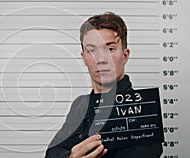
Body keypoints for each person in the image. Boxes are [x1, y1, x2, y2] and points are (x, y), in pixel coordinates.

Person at [45, 12, 163, 158]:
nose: (101, 59)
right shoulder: (80, 104)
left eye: (110, 48)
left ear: (125, 55)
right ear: (84, 58)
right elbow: (52, 152)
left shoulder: (145, 108)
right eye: (91, 50)